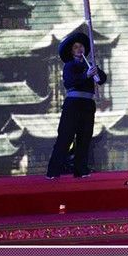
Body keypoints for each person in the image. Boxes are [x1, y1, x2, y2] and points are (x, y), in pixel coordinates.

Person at [46, 32, 107, 179]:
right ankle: (53, 171)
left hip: (87, 104)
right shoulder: (69, 66)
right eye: (76, 47)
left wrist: (96, 71)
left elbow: (101, 80)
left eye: (81, 46)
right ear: (72, 51)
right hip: (73, 105)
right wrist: (86, 75)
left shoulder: (90, 65)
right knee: (65, 137)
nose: (79, 49)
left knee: (84, 138)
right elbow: (69, 82)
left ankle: (81, 169)